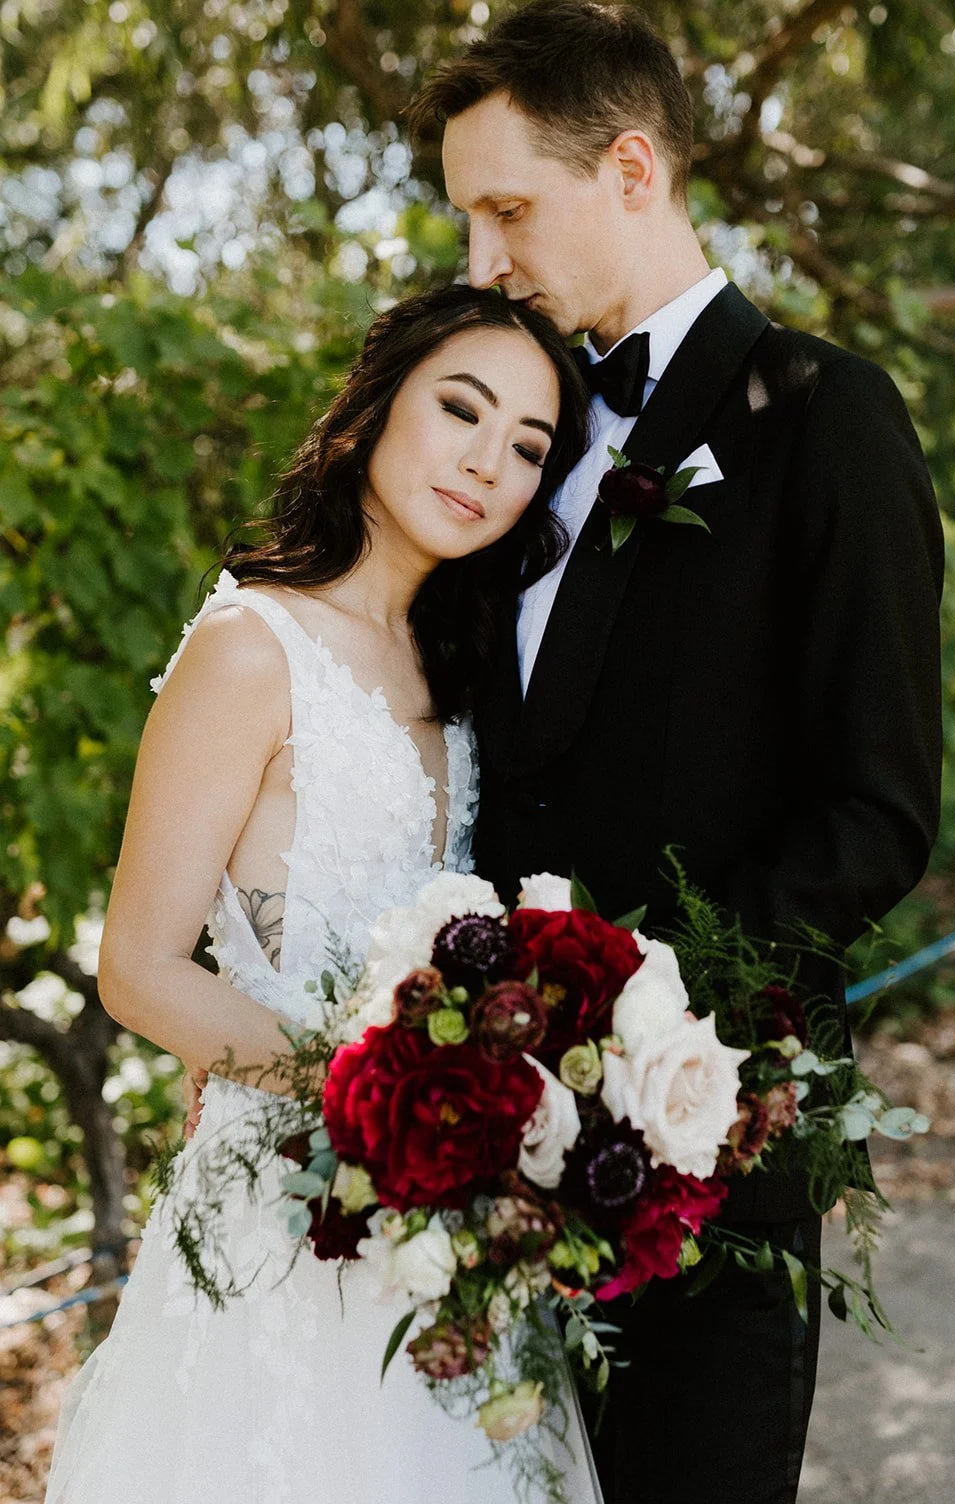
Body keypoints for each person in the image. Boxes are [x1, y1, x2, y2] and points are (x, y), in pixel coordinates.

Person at [404, 0, 944, 1504]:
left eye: (505, 208)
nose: (481, 262)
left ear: (631, 170)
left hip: (705, 1146)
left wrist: (635, 1035)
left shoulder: (826, 416)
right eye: (464, 221)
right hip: (480, 1160)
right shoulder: (516, 433)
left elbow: (875, 809)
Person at [43, 284, 603, 1504]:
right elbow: (138, 968)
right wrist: (383, 1096)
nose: (486, 462)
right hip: (274, 1218)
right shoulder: (250, 646)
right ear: (368, 412)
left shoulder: (462, 681)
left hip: (446, 1233)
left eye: (526, 448)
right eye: (460, 408)